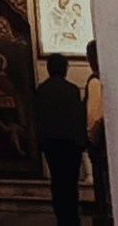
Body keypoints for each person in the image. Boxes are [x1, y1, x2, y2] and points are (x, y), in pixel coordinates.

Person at [31, 57, 93, 225]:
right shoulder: (72, 89)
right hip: (71, 144)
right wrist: (82, 141)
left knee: (57, 181)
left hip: (51, 143)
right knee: (71, 182)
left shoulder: (42, 90)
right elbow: (79, 116)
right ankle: (72, 218)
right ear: (64, 69)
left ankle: (62, 217)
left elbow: (38, 118)